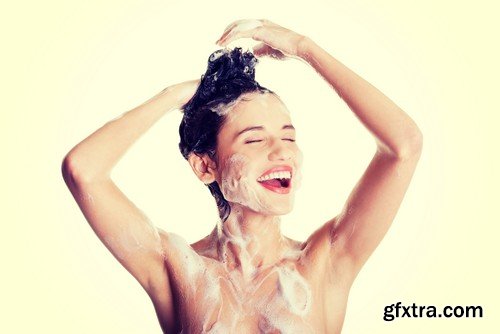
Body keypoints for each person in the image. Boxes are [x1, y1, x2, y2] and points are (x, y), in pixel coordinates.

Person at [62, 19, 423, 334]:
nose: (282, 151)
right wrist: (176, 95)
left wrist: (304, 49)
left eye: (289, 136)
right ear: (206, 166)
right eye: (254, 139)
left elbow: (403, 146)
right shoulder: (178, 268)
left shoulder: (324, 262)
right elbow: (84, 171)